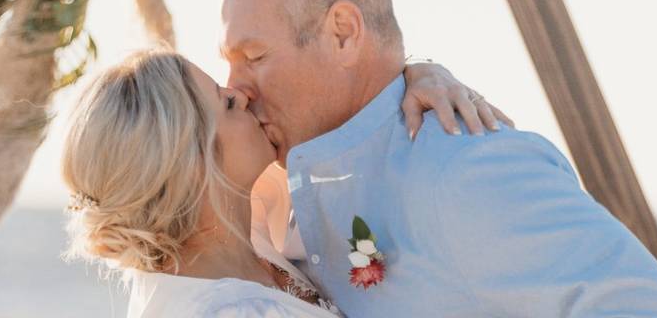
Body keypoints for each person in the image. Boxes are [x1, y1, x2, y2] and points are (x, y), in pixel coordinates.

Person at [220, 0, 657, 317]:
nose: (235, 87)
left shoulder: (466, 167)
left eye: (255, 57)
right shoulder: (275, 188)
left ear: (343, 33)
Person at [60, 50, 503, 316]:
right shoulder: (220, 312)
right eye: (224, 101)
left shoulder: (240, 229)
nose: (242, 93)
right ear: (190, 160)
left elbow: (334, 100)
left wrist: (419, 72)